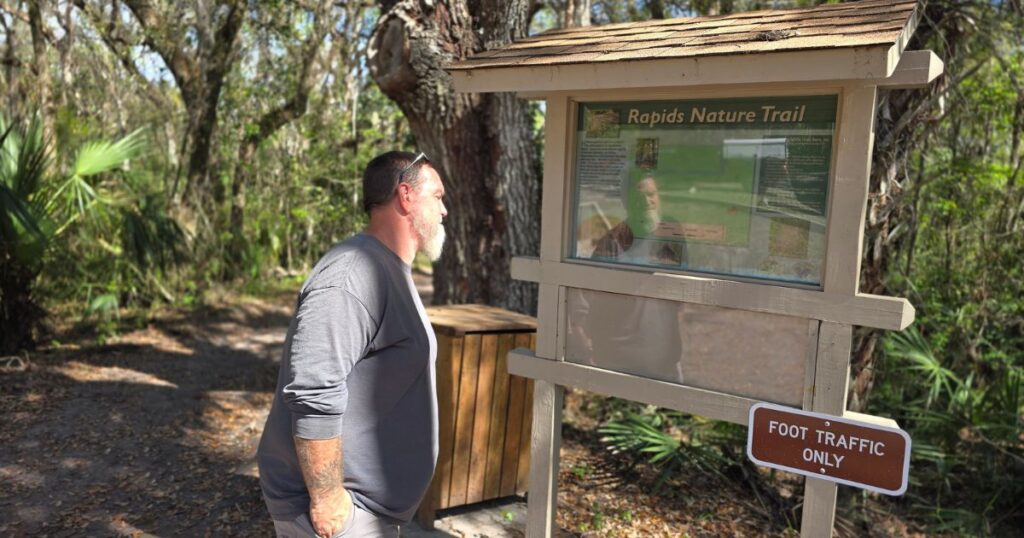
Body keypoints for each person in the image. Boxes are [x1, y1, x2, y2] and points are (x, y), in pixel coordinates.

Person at [256, 151, 447, 538]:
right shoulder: (351, 273)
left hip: (368, 514)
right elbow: (313, 388)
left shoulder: (389, 268)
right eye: (438, 196)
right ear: (406, 196)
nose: (444, 211)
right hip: (342, 517)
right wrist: (328, 501)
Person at [591, 175, 684, 266]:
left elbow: (683, 271)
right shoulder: (612, 241)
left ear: (659, 196)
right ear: (626, 203)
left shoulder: (672, 229)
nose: (646, 201)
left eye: (651, 194)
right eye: (639, 196)